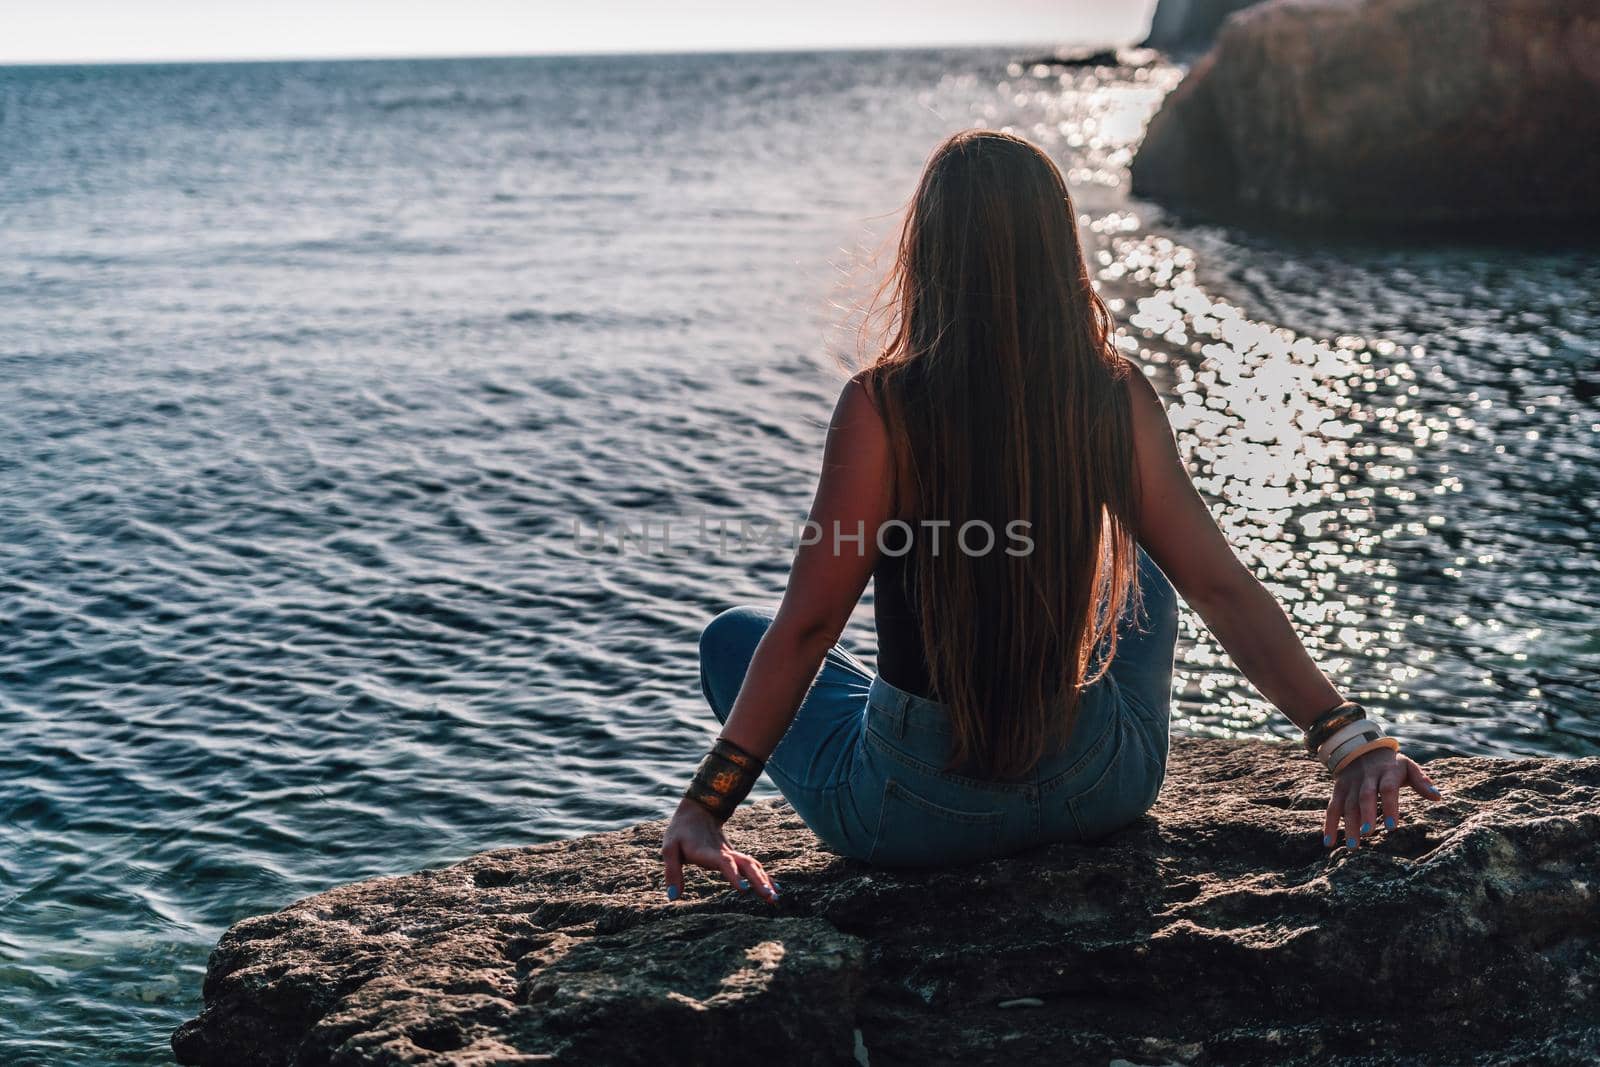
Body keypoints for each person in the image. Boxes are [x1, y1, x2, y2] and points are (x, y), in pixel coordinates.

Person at [659, 130, 1441, 903]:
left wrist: (707, 804)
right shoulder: (1110, 390)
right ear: (1058, 249)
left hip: (911, 815)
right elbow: (1221, 587)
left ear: (926, 250)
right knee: (1154, 585)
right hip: (1095, 790)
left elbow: (807, 627)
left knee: (734, 636)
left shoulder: (880, 408)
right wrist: (1347, 739)